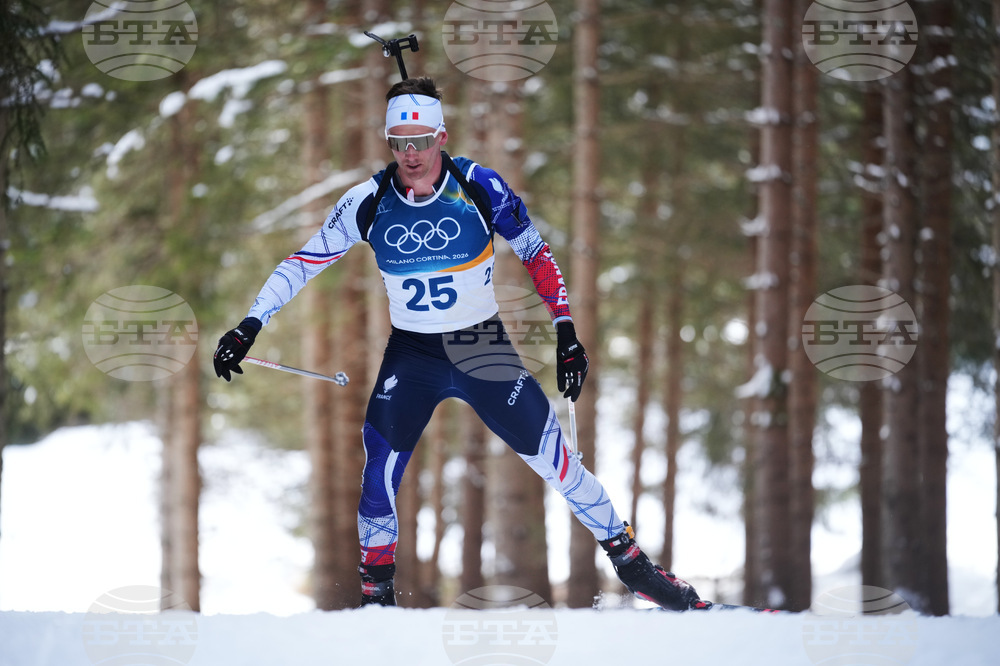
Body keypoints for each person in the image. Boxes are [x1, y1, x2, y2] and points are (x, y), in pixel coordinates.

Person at [214, 77, 707, 611]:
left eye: (421, 140)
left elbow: (536, 252)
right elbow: (302, 263)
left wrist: (565, 329)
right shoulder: (366, 201)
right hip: (414, 353)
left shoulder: (479, 186)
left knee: (558, 463)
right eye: (399, 142)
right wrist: (250, 324)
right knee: (377, 473)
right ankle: (376, 602)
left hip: (482, 349)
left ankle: (636, 569)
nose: (411, 154)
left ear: (441, 136)